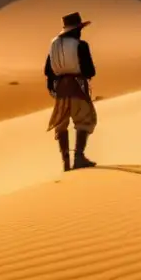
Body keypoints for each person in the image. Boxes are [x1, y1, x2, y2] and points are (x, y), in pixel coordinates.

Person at [45, 11, 97, 171]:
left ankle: (65, 160)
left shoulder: (53, 44)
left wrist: (53, 87)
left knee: (61, 123)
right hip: (77, 86)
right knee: (85, 119)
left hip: (60, 88)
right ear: (76, 30)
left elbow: (48, 70)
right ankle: (79, 156)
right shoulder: (81, 45)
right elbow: (90, 70)